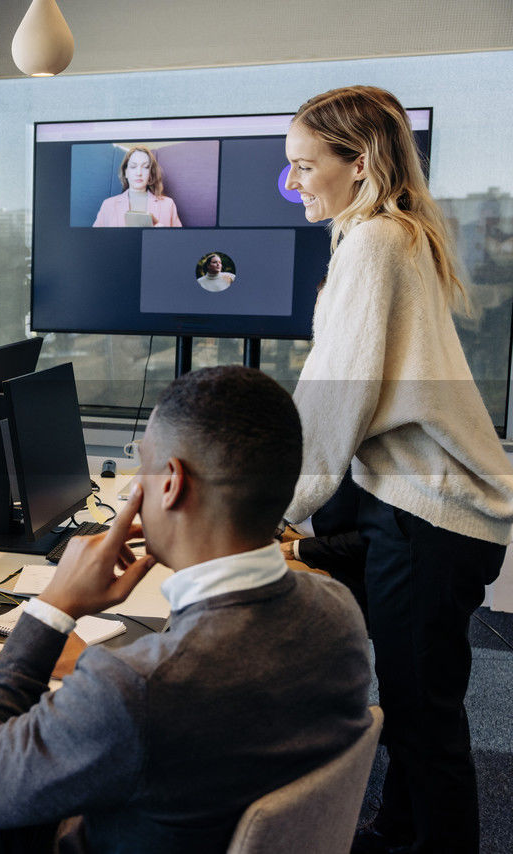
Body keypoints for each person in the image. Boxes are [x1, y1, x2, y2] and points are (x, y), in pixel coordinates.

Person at [0, 366, 372, 853]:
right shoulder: (338, 612)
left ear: (170, 484)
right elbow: (209, 681)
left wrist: (53, 607)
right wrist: (97, 667)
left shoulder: (135, 692)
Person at [283, 85, 513, 854]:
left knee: (424, 721)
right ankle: (398, 830)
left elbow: (335, 395)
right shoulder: (389, 233)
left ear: (361, 163)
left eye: (306, 165)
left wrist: (273, 510)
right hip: (423, 506)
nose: (297, 183)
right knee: (417, 706)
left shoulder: (376, 242)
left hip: (431, 513)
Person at [92, 145, 182, 227]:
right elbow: (96, 241)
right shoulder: (108, 205)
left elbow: (180, 242)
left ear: (150, 174)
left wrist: (164, 235)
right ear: (126, 172)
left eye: (145, 167)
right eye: (133, 166)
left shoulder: (168, 204)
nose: (139, 173)